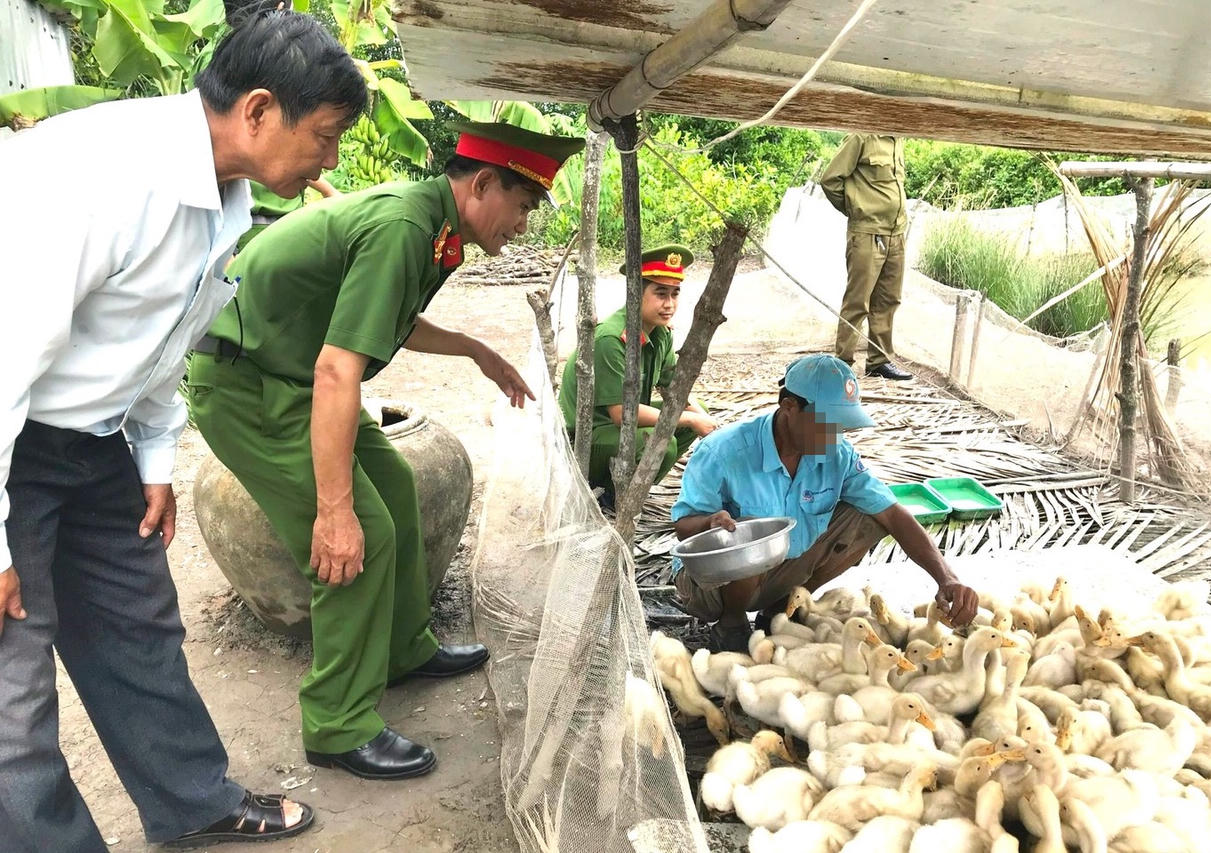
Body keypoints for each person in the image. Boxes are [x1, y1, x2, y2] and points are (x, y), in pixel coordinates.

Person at [0, 11, 366, 851]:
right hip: (9, 438)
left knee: (138, 626)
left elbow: (166, 334)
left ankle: (192, 799)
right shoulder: (105, 175)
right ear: (260, 110)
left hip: (87, 441)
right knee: (11, 694)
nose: (332, 159)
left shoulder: (224, 194)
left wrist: (154, 456)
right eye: (326, 136)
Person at [185, 120, 585, 781]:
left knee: (394, 490)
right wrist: (334, 511)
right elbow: (340, 369)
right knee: (355, 532)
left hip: (291, 370)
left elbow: (387, 316)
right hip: (249, 383)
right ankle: (338, 722)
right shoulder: (406, 226)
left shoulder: (432, 226)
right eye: (523, 207)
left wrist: (475, 348)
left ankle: (402, 647)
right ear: (484, 183)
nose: (523, 224)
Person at [671, 354, 979, 652]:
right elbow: (684, 529)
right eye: (827, 424)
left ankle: (781, 610)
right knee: (753, 537)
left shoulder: (837, 454)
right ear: (789, 407)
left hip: (781, 572)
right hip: (711, 585)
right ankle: (731, 623)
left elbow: (893, 515)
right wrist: (711, 524)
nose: (835, 436)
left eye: (842, 426)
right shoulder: (723, 452)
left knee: (869, 517)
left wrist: (947, 579)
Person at [558, 245, 718, 504]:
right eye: (660, 294)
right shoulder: (611, 339)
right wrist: (688, 419)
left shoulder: (661, 332)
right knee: (663, 444)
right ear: (635, 293)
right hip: (587, 435)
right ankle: (611, 494)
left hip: (617, 424)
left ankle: (630, 486)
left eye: (675, 294)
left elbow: (673, 390)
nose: (669, 304)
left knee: (698, 412)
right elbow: (621, 414)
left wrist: (704, 420)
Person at [819, 133, 914, 381]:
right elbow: (830, 180)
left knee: (888, 299)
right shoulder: (861, 136)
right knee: (858, 301)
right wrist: (857, 209)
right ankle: (842, 365)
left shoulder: (899, 139)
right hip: (867, 232)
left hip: (896, 232)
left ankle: (879, 361)